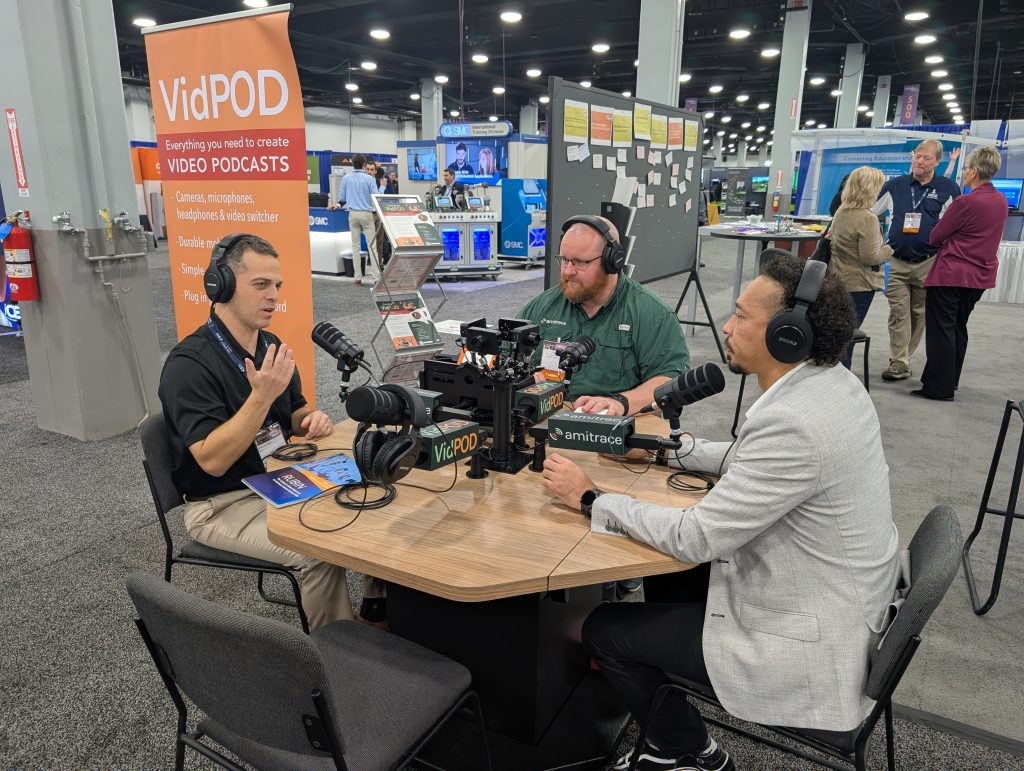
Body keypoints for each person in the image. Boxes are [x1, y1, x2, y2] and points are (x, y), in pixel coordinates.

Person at [541, 251, 901, 771]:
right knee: (671, 579)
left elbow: (695, 537)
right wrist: (668, 448)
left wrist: (590, 497)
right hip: (837, 599)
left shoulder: (795, 424)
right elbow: (753, 461)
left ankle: (687, 750)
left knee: (605, 629)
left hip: (810, 642)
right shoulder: (830, 387)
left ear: (787, 336)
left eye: (741, 316)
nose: (727, 327)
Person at [157, 235, 353, 631]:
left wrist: (309, 420)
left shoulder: (270, 345)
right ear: (221, 285)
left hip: (274, 480)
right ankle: (337, 656)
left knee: (363, 499)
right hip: (221, 503)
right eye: (261, 284)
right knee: (319, 551)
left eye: (276, 285)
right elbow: (212, 461)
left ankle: (379, 617)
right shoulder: (188, 365)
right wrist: (260, 397)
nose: (273, 296)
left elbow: (294, 411)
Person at [518, 215, 690, 415]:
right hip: (545, 419)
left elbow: (670, 381)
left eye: (580, 262)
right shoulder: (542, 307)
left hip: (616, 425)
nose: (568, 271)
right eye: (564, 260)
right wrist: (523, 379)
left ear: (612, 261)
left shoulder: (651, 314)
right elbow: (502, 357)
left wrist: (621, 403)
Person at [916, 145, 1008, 401]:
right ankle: (950, 380)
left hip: (952, 273)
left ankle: (938, 387)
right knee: (958, 327)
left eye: (966, 168)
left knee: (941, 330)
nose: (965, 172)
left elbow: (936, 236)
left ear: (974, 172)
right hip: (979, 275)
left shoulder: (965, 202)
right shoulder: (1000, 200)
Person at [872, 139, 960, 381]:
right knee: (898, 312)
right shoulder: (895, 186)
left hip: (929, 262)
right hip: (896, 260)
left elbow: (956, 223)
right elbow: (869, 212)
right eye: (917, 156)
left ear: (938, 161)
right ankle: (899, 362)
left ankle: (905, 356)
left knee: (919, 313)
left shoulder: (948, 188)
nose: (919, 161)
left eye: (926, 158)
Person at [827, 165, 892, 368]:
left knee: (837, 336)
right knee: (846, 340)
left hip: (839, 279)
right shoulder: (867, 218)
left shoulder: (841, 211)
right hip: (859, 285)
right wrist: (889, 249)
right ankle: (841, 379)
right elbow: (871, 258)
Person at [329, 153, 379, 286]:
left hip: (352, 214)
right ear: (364, 165)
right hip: (367, 214)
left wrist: (336, 205)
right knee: (372, 246)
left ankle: (357, 277)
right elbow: (376, 196)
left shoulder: (346, 178)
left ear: (352, 163)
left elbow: (342, 198)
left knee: (355, 246)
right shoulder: (369, 179)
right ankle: (376, 277)